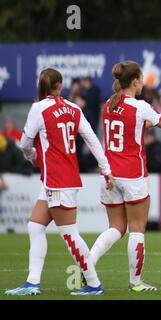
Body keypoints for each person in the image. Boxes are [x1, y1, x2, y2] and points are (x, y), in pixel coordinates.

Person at [89, 61, 161, 292]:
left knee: (115, 227)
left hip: (110, 174)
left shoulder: (108, 105)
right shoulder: (140, 107)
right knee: (136, 228)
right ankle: (136, 282)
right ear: (134, 82)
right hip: (133, 175)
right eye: (141, 79)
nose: (143, 83)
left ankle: (88, 264)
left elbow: (128, 128)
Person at [5, 68, 114, 296]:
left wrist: (33, 157)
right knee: (35, 227)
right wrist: (106, 169)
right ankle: (33, 282)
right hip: (61, 179)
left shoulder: (38, 108)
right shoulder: (74, 108)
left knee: (69, 234)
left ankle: (94, 283)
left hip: (57, 180)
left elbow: (25, 142)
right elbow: (92, 139)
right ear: (60, 86)